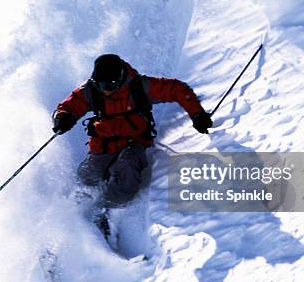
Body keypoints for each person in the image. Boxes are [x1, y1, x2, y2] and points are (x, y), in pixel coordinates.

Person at [52, 54, 212, 236]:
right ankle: (77, 207)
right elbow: (69, 106)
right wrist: (63, 117)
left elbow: (176, 89)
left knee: (127, 165)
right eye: (102, 85)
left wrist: (197, 114)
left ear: (120, 77)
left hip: (134, 140)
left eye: (110, 85)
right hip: (104, 143)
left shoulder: (138, 86)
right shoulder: (91, 90)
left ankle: (110, 209)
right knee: (89, 173)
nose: (106, 90)